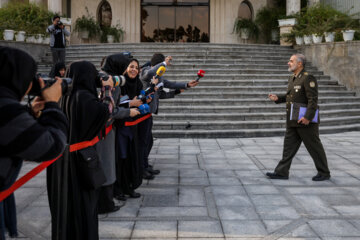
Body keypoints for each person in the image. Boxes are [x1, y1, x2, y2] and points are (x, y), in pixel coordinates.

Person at [0, 47, 68, 239]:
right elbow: (52, 145)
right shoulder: (5, 108)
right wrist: (53, 105)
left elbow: (12, 136)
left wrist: (29, 113)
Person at [47, 61, 114, 240]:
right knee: (83, 207)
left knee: (62, 206)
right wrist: (107, 90)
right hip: (79, 162)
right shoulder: (84, 97)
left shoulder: (61, 96)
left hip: (59, 161)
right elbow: (107, 113)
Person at [266, 53, 331, 181]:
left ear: (299, 63)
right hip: (293, 119)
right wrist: (278, 98)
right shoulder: (293, 77)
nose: (288, 63)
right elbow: (290, 96)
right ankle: (281, 172)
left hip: (305, 121)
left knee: (314, 147)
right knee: (288, 147)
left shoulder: (308, 78)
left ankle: (324, 173)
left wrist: (307, 117)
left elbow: (313, 99)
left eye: (291, 61)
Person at [139, 53, 199, 179]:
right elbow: (149, 74)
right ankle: (141, 168)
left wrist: (186, 85)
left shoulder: (159, 79)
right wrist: (164, 63)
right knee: (143, 142)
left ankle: (144, 165)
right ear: (156, 65)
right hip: (140, 113)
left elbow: (170, 85)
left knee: (148, 141)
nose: (163, 70)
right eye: (161, 67)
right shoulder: (145, 71)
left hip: (148, 114)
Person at [97, 53, 140, 214]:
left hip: (110, 130)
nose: (130, 69)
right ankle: (108, 200)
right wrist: (128, 111)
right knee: (110, 163)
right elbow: (109, 110)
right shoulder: (110, 82)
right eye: (127, 66)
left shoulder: (104, 78)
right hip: (108, 130)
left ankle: (112, 196)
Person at [114, 59, 146, 200]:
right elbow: (114, 104)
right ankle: (119, 189)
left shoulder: (138, 83)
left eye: (136, 67)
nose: (134, 69)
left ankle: (129, 187)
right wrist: (130, 104)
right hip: (121, 128)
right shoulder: (119, 85)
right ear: (125, 69)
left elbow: (139, 100)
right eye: (131, 67)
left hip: (134, 126)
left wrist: (144, 100)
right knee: (122, 157)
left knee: (132, 157)